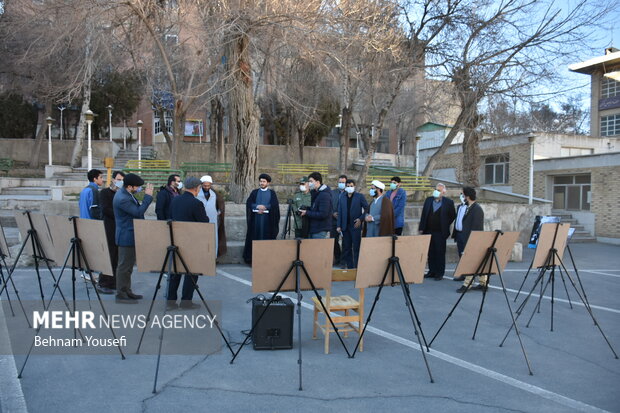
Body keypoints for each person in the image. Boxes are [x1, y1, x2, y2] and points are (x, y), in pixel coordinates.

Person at [168, 176, 209, 309]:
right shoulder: (196, 203)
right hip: (192, 242)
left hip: (176, 240)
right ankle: (186, 301)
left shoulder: (175, 200)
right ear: (197, 188)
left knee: (175, 273)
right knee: (191, 273)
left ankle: (171, 301)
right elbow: (204, 222)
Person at [113, 173, 153, 303]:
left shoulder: (127, 194)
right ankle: (121, 293)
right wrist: (148, 197)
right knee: (124, 266)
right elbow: (138, 212)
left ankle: (127, 290)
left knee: (128, 266)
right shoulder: (123, 198)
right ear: (130, 186)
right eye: (137, 187)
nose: (139, 189)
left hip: (129, 234)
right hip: (126, 235)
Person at [419, 183, 456, 281]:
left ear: (443, 192)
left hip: (440, 232)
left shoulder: (448, 202)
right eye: (435, 189)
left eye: (439, 190)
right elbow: (424, 214)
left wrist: (445, 223)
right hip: (428, 230)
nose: (436, 191)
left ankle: (439, 273)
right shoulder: (428, 200)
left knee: (439, 252)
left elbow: (452, 215)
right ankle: (432, 271)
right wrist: (421, 227)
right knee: (430, 252)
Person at [97, 170, 125, 294]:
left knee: (117, 258)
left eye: (122, 180)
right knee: (108, 256)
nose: (120, 182)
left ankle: (113, 282)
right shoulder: (105, 193)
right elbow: (105, 209)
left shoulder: (122, 194)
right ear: (113, 179)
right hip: (109, 228)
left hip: (119, 230)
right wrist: (120, 215)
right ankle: (103, 282)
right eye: (118, 179)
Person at [243, 173, 280, 264]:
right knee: (255, 238)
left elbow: (275, 205)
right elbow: (249, 203)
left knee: (266, 238)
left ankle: (266, 260)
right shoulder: (254, 192)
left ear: (268, 183)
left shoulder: (272, 193)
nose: (262, 183)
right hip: (256, 221)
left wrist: (265, 207)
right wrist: (257, 207)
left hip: (267, 221)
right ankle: (253, 260)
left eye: (264, 181)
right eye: (260, 181)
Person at [454, 187, 485, 292]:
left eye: (463, 194)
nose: (462, 196)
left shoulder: (476, 209)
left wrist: (472, 242)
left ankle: (467, 284)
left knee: (470, 262)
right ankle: (483, 283)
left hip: (472, 240)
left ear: (467, 196)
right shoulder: (469, 207)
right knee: (477, 262)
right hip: (466, 237)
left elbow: (477, 228)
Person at [337, 179, 368, 269]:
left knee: (356, 247)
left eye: (351, 186)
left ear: (354, 186)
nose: (349, 187)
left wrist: (361, 219)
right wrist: (339, 225)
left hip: (355, 226)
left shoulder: (359, 196)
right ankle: (350, 267)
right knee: (346, 248)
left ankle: (357, 267)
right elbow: (340, 211)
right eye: (348, 186)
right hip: (345, 227)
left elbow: (367, 208)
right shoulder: (342, 197)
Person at [197, 175, 227, 258]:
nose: (206, 187)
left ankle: (213, 258)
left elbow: (220, 205)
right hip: (200, 220)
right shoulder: (197, 193)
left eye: (208, 185)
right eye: (205, 185)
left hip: (212, 220)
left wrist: (219, 212)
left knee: (213, 240)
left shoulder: (215, 194)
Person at [300, 172, 332, 239]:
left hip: (320, 229)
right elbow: (314, 208)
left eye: (311, 181)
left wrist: (307, 213)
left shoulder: (324, 195)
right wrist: (306, 209)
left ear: (317, 182)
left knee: (317, 249)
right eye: (309, 181)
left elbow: (323, 214)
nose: (309, 183)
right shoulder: (315, 193)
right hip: (313, 228)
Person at [331, 175, 347, 264]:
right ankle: (338, 257)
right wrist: (332, 213)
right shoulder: (333, 193)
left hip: (345, 222)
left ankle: (343, 260)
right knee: (333, 240)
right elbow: (328, 205)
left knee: (345, 241)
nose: (341, 184)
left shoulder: (349, 193)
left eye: (343, 182)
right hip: (333, 221)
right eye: (340, 182)